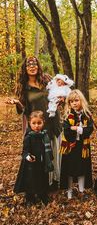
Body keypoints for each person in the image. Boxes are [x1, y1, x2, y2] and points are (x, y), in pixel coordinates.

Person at [6, 56, 62, 188]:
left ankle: (55, 180)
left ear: (38, 66)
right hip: (39, 125)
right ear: (25, 69)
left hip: (53, 121)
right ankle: (42, 183)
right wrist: (17, 103)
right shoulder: (23, 87)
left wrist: (61, 98)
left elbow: (57, 92)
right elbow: (23, 110)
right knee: (41, 153)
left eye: (34, 64)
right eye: (29, 65)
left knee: (54, 151)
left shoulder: (46, 79)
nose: (32, 67)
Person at [14, 111, 54, 206]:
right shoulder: (29, 137)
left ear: (43, 122)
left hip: (42, 162)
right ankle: (30, 198)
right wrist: (28, 156)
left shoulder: (45, 136)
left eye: (39, 123)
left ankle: (43, 195)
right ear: (29, 123)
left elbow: (48, 150)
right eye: (34, 123)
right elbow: (25, 151)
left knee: (42, 179)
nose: (37, 126)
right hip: (31, 164)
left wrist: (48, 159)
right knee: (31, 180)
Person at [59, 89, 93, 200]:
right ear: (69, 103)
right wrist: (77, 130)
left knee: (82, 169)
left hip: (82, 146)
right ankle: (69, 191)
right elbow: (67, 131)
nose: (74, 103)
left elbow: (89, 130)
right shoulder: (67, 116)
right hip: (70, 146)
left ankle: (81, 190)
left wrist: (77, 128)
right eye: (71, 101)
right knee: (69, 170)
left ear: (81, 101)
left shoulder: (87, 115)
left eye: (76, 100)